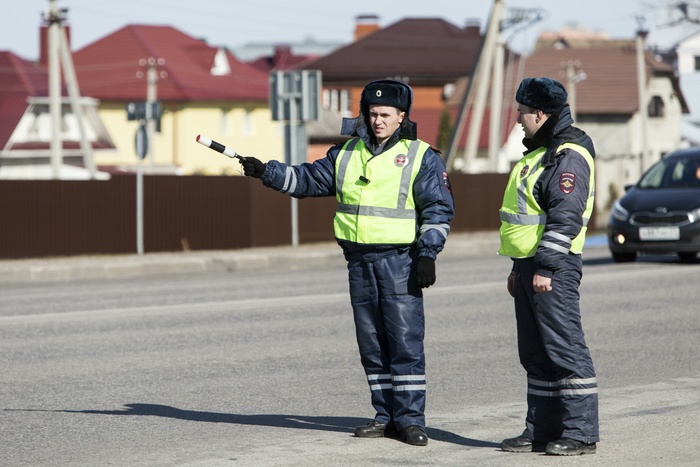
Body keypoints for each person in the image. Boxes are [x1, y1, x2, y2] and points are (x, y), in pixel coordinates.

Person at [237, 79, 455, 446]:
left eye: (386, 115)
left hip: (400, 262)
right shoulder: (346, 153)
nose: (378, 121)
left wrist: (427, 255)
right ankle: (385, 416)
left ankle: (411, 420)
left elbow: (438, 209)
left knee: (404, 342)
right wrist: (267, 172)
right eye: (372, 114)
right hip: (359, 262)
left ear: (402, 116)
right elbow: (307, 180)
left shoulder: (421, 157)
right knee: (371, 343)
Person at [497, 77, 599, 456]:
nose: (519, 120)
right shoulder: (540, 152)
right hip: (530, 266)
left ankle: (580, 433)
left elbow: (565, 217)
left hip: (552, 268)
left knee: (564, 348)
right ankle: (541, 429)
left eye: (522, 113)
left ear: (540, 113)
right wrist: (518, 266)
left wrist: (546, 267)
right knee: (535, 353)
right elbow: (527, 219)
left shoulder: (567, 154)